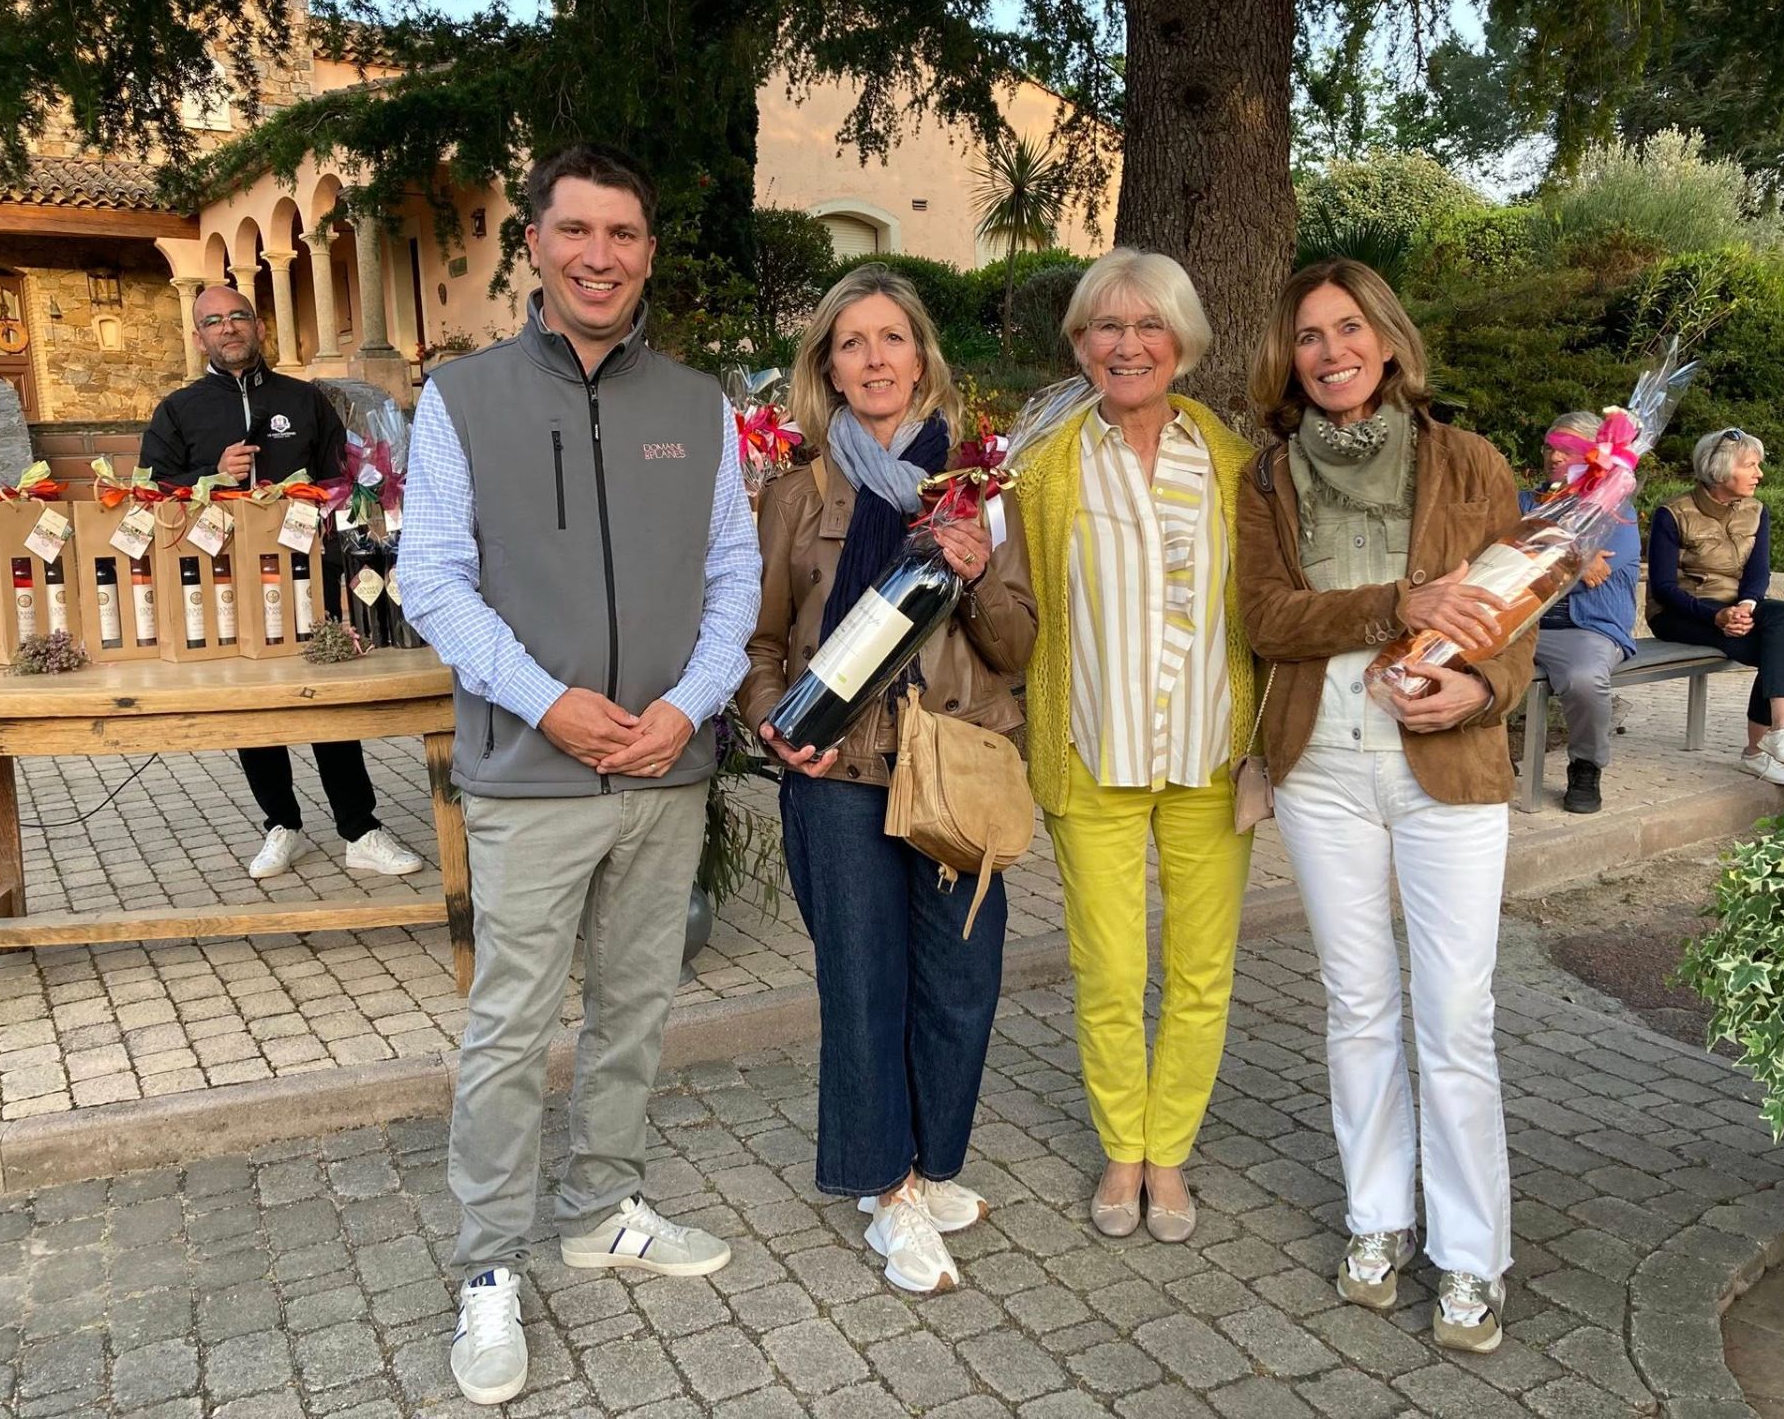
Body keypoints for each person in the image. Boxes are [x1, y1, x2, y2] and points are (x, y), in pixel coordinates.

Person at [401, 143, 760, 1407]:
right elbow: (431, 577)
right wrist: (547, 699)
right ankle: (489, 1264)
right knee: (509, 1028)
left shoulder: (700, 406)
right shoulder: (461, 401)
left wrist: (685, 707)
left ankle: (602, 1208)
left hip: (665, 766)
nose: (599, 256)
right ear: (537, 245)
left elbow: (734, 576)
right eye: (575, 231)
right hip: (528, 772)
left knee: (636, 1006)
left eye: (623, 234)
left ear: (648, 253)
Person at [1236, 259, 1534, 1353]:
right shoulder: (1268, 478)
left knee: (1454, 1019)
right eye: (1309, 335)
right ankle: (1378, 1219)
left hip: (1447, 769)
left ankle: (1472, 1256)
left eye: (1349, 327)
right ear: (1289, 356)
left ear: (1390, 340)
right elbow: (1267, 618)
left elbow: (1518, 615)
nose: (1331, 352)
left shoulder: (1473, 463)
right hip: (1321, 772)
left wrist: (1482, 689)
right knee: (1358, 1008)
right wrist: (1399, 605)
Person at [738, 264, 1036, 1294]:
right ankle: (891, 1187)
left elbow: (1017, 646)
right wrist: (774, 725)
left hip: (956, 765)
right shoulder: (795, 494)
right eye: (851, 343)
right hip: (838, 772)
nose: (874, 359)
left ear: (921, 357)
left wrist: (978, 571)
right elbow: (759, 640)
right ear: (827, 367)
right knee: (863, 989)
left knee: (960, 982)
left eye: (891, 339)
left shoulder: (983, 492)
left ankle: (929, 1161)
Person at [1014, 249, 1257, 1244]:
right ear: (1080, 344)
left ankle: (1170, 1152)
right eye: (1105, 327)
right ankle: (1123, 1148)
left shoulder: (1233, 462)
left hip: (1211, 756)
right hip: (1092, 749)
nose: (1127, 345)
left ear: (1182, 342)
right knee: (1110, 970)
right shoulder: (1042, 464)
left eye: (1148, 325)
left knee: (1202, 971)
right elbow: (1009, 600)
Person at [140, 283, 423, 881]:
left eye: (238, 316)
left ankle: (359, 829)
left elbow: (341, 481)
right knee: (255, 706)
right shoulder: (179, 410)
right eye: (213, 321)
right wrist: (210, 474)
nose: (228, 328)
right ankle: (282, 824)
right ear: (198, 337)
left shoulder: (303, 399)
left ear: (259, 326)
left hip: (310, 576)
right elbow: (149, 490)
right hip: (223, 581)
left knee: (328, 700)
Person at [1647, 427, 1784, 785]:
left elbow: (1758, 571)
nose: (1759, 474)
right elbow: (1663, 587)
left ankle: (1781, 733)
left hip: (1737, 606)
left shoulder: (1756, 510)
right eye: (1751, 466)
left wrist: (1747, 606)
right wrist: (1716, 615)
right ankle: (1754, 754)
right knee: (1776, 649)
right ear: (1720, 470)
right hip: (1680, 612)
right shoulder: (1673, 513)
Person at [1520, 411, 1642, 814]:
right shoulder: (1524, 502)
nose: (1554, 457)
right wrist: (1578, 558)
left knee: (1584, 678)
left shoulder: (1616, 507)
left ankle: (1586, 766)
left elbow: (1603, 570)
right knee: (1463, 660)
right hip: (1520, 623)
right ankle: (1487, 755)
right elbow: (1508, 561)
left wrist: (1545, 556)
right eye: (1549, 447)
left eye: (1568, 449)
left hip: (1585, 629)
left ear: (1595, 454)